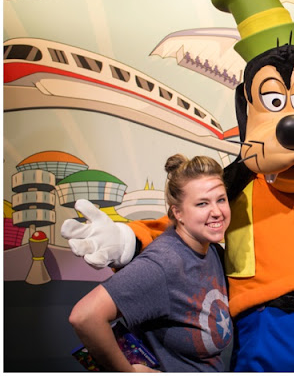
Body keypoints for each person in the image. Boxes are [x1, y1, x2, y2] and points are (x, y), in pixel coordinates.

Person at [68, 154, 232, 372]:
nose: (217, 212)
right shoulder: (164, 263)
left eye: (221, 200)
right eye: (202, 203)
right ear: (178, 213)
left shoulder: (212, 250)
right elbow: (85, 316)